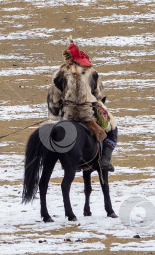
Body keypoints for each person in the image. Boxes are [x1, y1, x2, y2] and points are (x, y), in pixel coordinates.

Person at [46, 38, 118, 172]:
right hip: (88, 113)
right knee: (113, 129)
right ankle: (105, 160)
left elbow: (53, 100)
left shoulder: (58, 74)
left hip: (67, 115)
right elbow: (99, 95)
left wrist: (53, 118)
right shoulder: (92, 72)